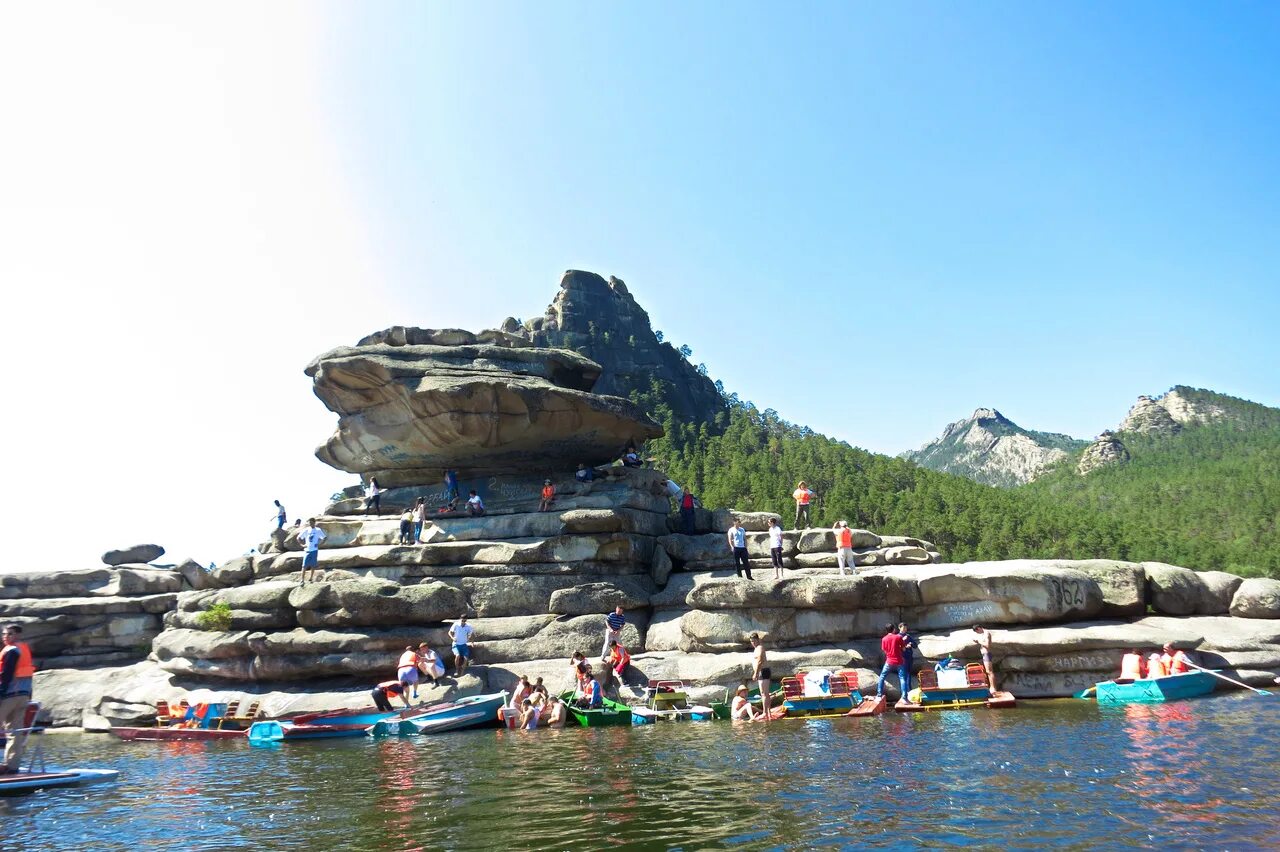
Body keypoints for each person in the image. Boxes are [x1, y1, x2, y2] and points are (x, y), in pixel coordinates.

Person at [0, 625, 35, 774]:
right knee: (16, 732)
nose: (6, 637)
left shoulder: (11, 651)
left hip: (9, 695)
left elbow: (7, 674)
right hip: (23, 695)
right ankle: (12, 766)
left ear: (18, 635)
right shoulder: (23, 649)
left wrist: (1, 692)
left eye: (10, 634)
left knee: (14, 731)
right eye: (4, 634)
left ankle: (10, 765)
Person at [877, 623, 908, 699]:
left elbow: (884, 650)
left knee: (882, 677)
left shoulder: (884, 639)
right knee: (902, 678)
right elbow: (904, 649)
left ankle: (879, 694)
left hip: (889, 661)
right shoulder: (898, 637)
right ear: (894, 629)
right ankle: (904, 697)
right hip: (899, 661)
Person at [296, 518, 327, 584]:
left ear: (314, 522)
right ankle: (302, 580)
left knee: (313, 565)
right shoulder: (306, 530)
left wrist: (319, 544)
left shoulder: (318, 530)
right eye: (309, 522)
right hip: (307, 550)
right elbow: (298, 538)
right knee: (304, 566)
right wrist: (302, 545)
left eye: (312, 522)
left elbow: (324, 538)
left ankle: (311, 578)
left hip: (314, 550)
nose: (310, 524)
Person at [749, 633, 771, 720]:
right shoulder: (756, 649)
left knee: (764, 694)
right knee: (765, 694)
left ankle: (765, 713)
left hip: (763, 671)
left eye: (754, 641)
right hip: (761, 672)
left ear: (758, 640)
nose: (753, 643)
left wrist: (756, 673)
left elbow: (759, 661)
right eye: (751, 641)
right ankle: (768, 712)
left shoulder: (760, 648)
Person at [973, 625, 997, 690]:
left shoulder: (986, 633)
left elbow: (987, 645)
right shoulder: (983, 634)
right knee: (987, 671)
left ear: (979, 628)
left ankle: (993, 688)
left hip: (987, 653)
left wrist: (978, 642)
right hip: (984, 654)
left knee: (989, 671)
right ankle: (991, 687)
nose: (977, 633)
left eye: (977, 631)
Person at [898, 623, 916, 695]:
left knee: (909, 674)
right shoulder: (898, 636)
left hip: (909, 658)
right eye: (903, 628)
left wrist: (911, 644)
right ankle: (904, 692)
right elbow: (896, 646)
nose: (905, 629)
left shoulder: (908, 636)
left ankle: (909, 691)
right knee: (903, 676)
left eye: (906, 628)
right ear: (899, 628)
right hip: (902, 658)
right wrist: (904, 642)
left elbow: (915, 645)